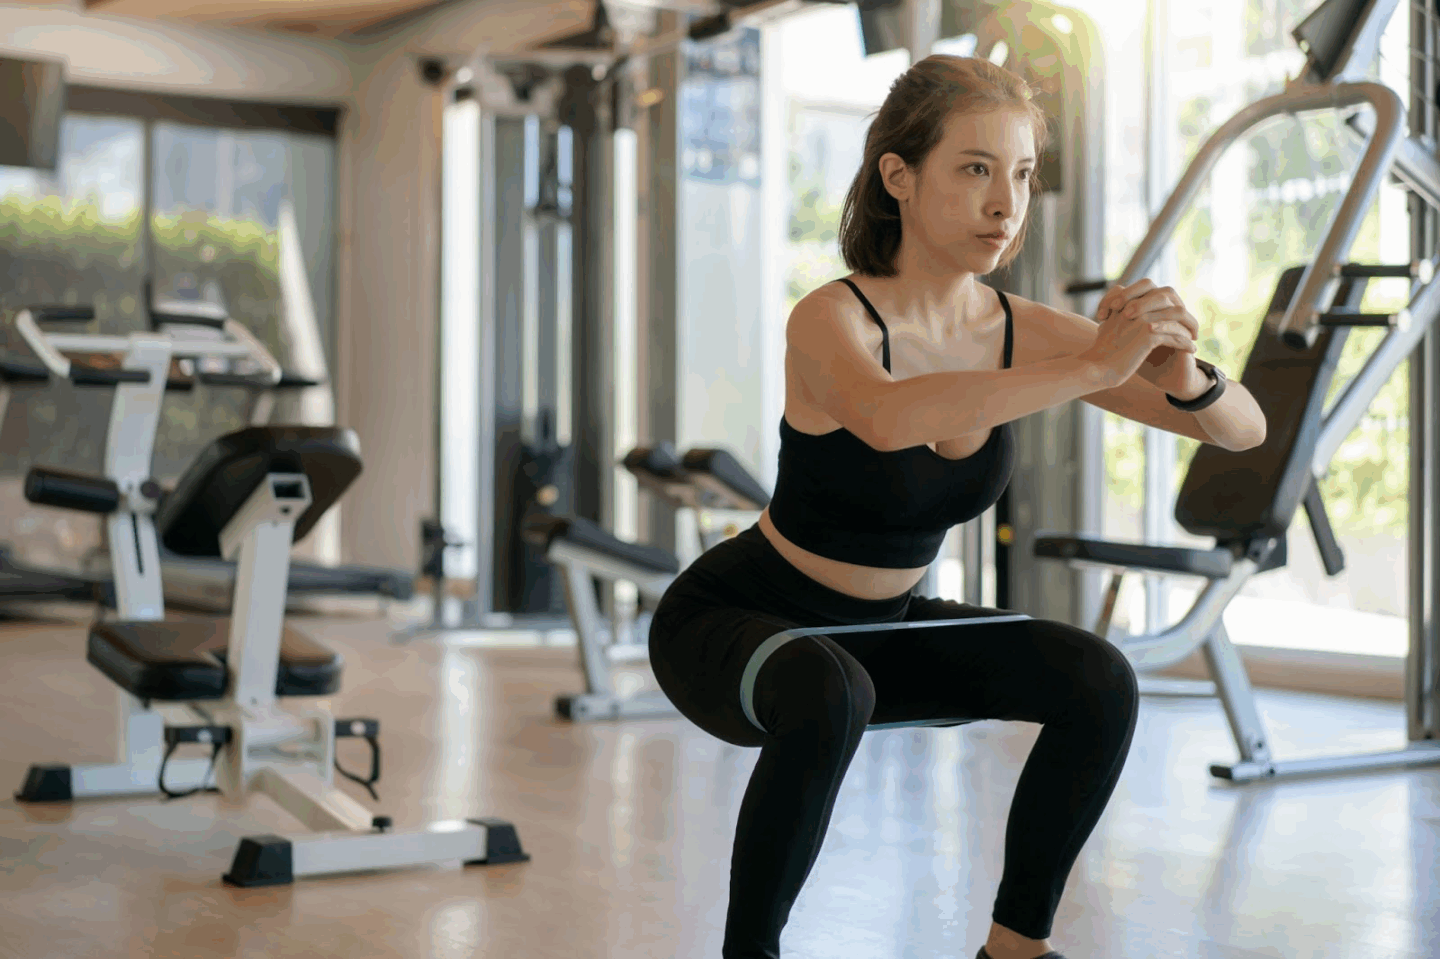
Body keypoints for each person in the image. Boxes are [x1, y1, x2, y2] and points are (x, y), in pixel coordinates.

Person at [647, 54, 1266, 959]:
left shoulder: (1020, 331)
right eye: (975, 169)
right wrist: (1096, 365)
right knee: (829, 686)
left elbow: (1241, 430)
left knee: (1096, 676)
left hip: (879, 632)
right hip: (739, 622)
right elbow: (891, 417)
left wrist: (1184, 372)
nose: (1005, 203)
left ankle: (1013, 951)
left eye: (1020, 175)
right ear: (899, 176)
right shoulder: (834, 319)